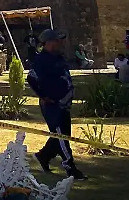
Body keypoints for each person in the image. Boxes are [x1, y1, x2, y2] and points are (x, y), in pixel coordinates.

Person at [26, 29, 86, 180]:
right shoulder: (41, 60)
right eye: (57, 40)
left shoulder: (58, 57)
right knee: (62, 137)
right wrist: (43, 96)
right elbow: (31, 78)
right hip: (53, 105)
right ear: (48, 42)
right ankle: (70, 167)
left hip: (64, 104)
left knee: (61, 135)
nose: (60, 42)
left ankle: (43, 156)